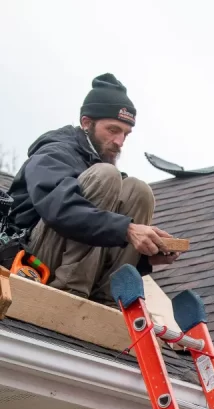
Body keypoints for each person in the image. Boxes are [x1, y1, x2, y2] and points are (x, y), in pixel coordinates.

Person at [3, 74, 178, 303]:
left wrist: (145, 255)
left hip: (75, 263)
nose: (119, 141)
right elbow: (61, 210)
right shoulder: (53, 153)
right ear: (86, 123)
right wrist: (128, 231)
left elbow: (100, 234)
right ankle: (71, 291)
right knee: (107, 175)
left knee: (138, 190)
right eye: (113, 130)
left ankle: (111, 298)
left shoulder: (97, 162)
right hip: (32, 264)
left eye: (125, 134)